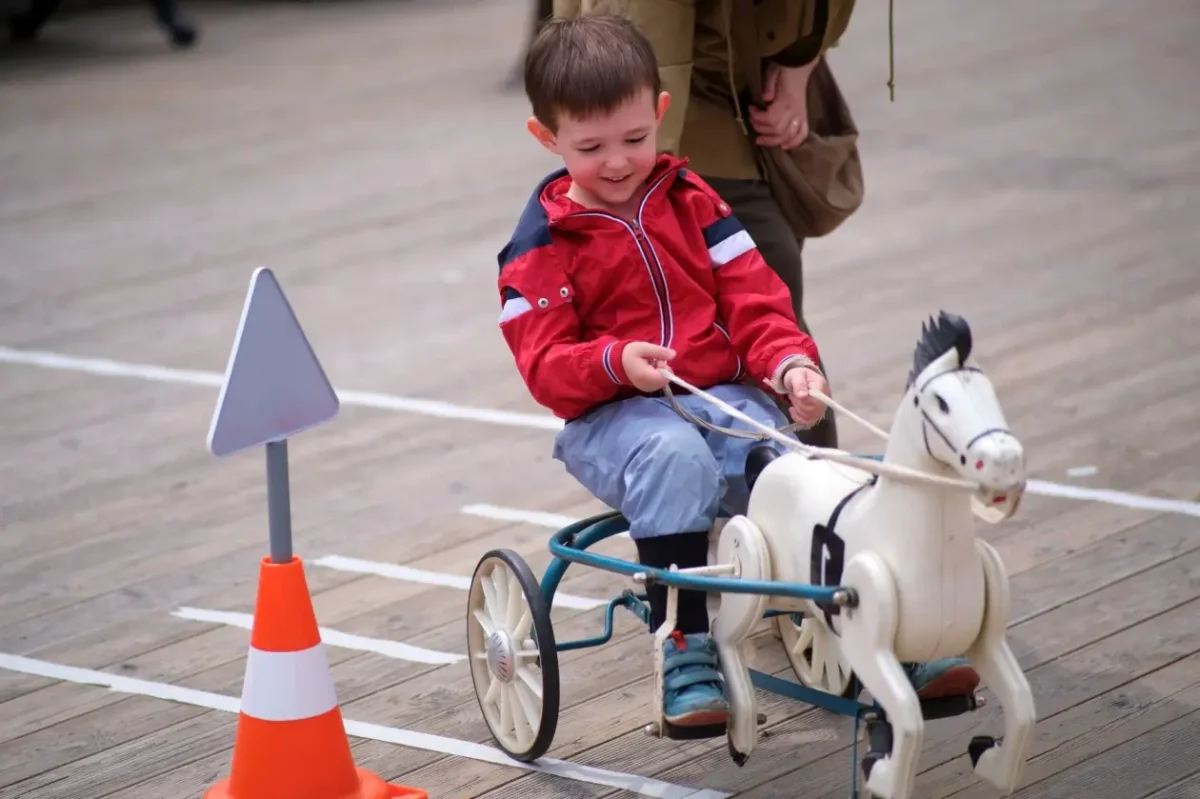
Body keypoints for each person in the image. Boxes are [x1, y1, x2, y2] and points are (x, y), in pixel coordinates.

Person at [497, 15, 976, 735]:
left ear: (661, 112)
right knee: (674, 456)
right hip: (611, 418)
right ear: (547, 138)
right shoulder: (539, 245)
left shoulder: (693, 201)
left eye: (635, 138)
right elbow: (544, 363)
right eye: (590, 148)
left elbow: (755, 299)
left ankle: (874, 630)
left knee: (790, 463)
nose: (619, 162)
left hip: (718, 396)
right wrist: (615, 361)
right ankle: (683, 640)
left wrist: (788, 364)